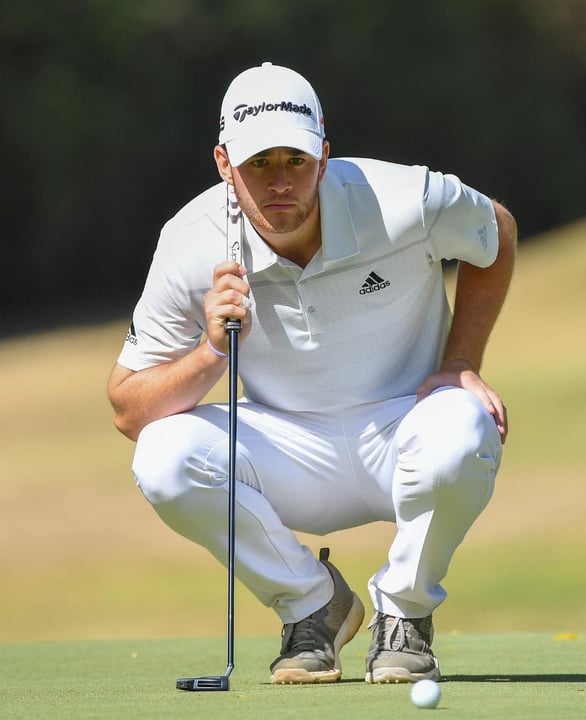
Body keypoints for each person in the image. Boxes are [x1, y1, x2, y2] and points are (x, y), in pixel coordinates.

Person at [108, 62, 517, 683]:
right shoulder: (189, 241)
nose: (280, 183)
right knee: (163, 456)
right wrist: (211, 350)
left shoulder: (407, 199)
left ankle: (403, 613)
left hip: (403, 426)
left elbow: (496, 232)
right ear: (224, 163)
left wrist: (461, 360)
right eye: (259, 164)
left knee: (465, 427)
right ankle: (313, 605)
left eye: (295, 161)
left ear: (324, 156)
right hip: (284, 446)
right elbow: (129, 408)